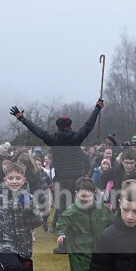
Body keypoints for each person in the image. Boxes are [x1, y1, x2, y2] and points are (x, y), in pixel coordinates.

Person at [11, 99, 103, 251]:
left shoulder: (53, 139)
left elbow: (37, 130)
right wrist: (97, 108)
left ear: (59, 128)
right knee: (81, 209)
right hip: (77, 181)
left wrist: (21, 118)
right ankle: (83, 242)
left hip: (61, 181)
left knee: (65, 213)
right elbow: (89, 125)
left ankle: (65, 245)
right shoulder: (77, 137)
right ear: (70, 127)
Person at [56, 177, 114, 271]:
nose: (85, 199)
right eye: (82, 196)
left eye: (88, 196)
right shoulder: (72, 211)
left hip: (100, 246)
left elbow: (111, 221)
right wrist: (61, 234)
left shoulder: (101, 208)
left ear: (93, 193)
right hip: (80, 247)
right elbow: (63, 222)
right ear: (76, 193)